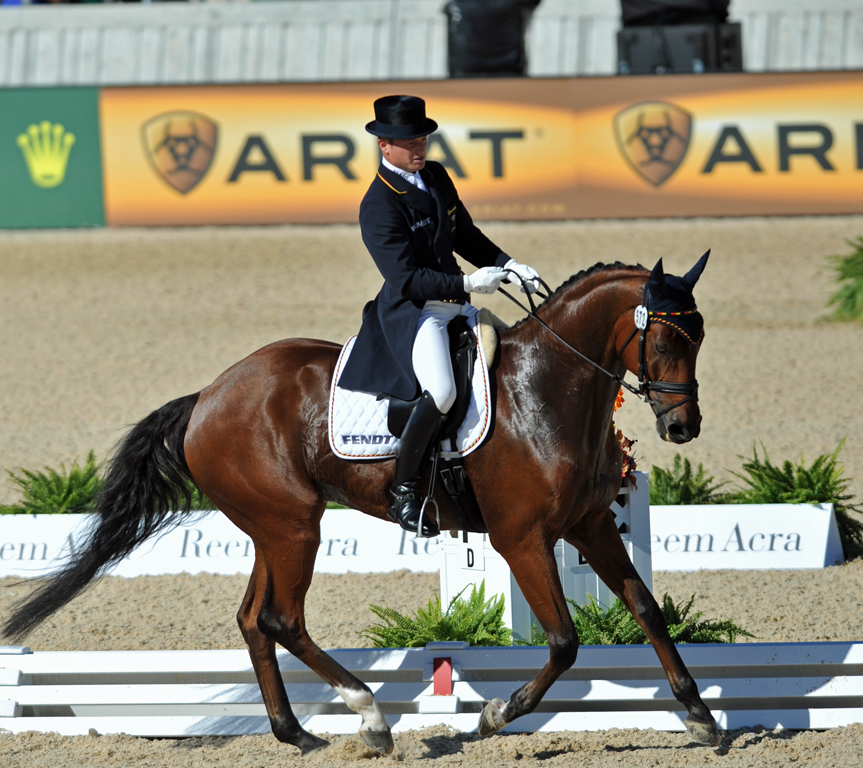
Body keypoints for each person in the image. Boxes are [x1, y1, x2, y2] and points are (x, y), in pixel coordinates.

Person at [337, 94, 542, 537]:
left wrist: (507, 263)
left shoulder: (435, 176)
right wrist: (467, 284)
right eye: (408, 141)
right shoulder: (377, 205)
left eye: (423, 138)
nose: (419, 147)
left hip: (456, 302)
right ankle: (406, 490)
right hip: (417, 314)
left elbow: (465, 234)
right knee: (444, 391)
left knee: (514, 364)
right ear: (383, 146)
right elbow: (407, 279)